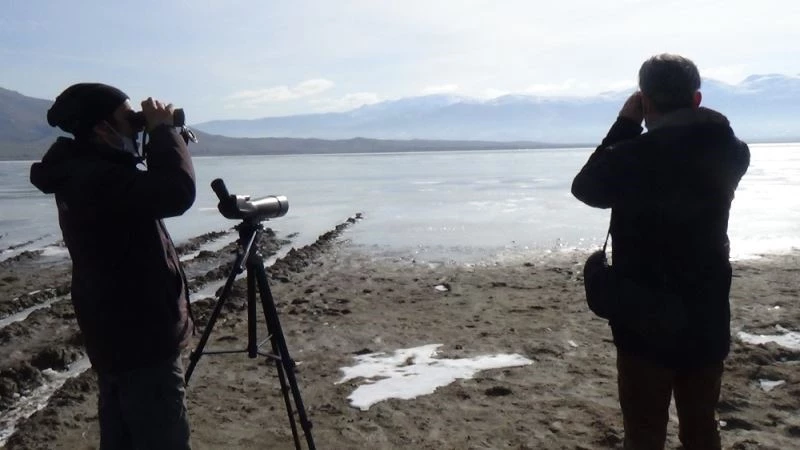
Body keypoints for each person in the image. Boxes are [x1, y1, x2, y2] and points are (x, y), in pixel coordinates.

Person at [571, 54, 750, 449]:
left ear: (644, 100)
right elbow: (720, 135)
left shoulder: (632, 156)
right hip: (707, 310)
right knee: (702, 427)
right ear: (697, 98)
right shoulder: (731, 152)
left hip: (642, 315)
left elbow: (586, 188)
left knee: (645, 431)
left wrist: (625, 125)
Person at [30, 83, 195, 449]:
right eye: (128, 119)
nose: (135, 126)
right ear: (103, 129)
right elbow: (176, 192)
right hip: (141, 338)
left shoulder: (82, 171)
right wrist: (163, 131)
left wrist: (156, 134)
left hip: (114, 334)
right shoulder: (97, 178)